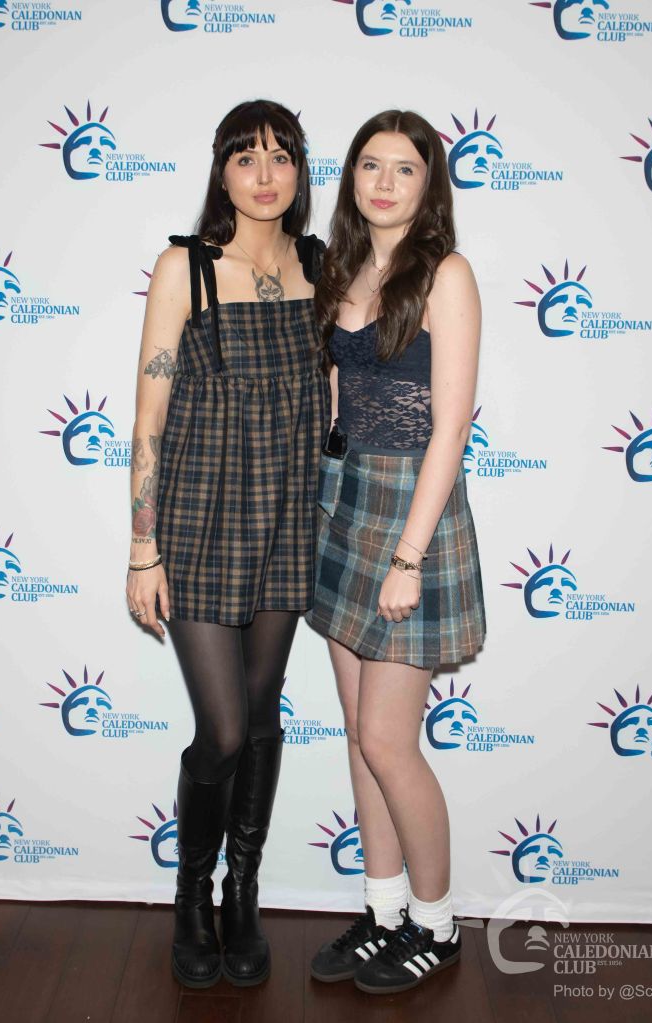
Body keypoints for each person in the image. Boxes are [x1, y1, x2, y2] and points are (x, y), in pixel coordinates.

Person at [126, 99, 329, 989]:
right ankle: (190, 894)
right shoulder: (186, 268)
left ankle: (240, 892)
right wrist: (142, 549)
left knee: (263, 712)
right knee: (223, 727)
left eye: (281, 156)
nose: (264, 173)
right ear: (221, 171)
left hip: (287, 517)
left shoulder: (322, 267)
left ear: (300, 171)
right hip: (200, 518)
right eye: (245, 156)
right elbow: (148, 419)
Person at [306, 109, 486, 994]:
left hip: (413, 512)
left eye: (404, 168)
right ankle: (382, 912)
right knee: (358, 735)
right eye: (369, 165)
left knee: (388, 739)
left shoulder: (445, 273)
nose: (383, 182)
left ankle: (437, 925)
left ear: (428, 183)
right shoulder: (340, 269)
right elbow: (336, 401)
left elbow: (450, 426)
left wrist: (409, 557)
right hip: (343, 504)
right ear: (351, 180)